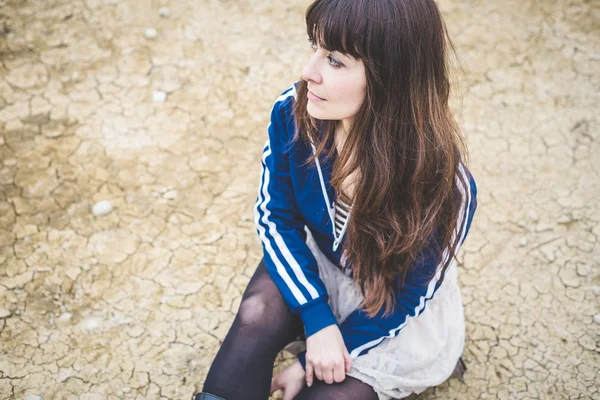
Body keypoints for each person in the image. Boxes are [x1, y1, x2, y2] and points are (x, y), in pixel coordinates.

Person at [193, 0, 478, 399]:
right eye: (315, 47)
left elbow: (405, 298)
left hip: (384, 307)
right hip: (320, 265)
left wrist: (311, 357)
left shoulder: (445, 186)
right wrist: (316, 318)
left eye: (335, 61)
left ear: (389, 79)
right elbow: (277, 218)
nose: (308, 72)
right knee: (257, 313)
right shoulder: (294, 113)